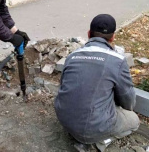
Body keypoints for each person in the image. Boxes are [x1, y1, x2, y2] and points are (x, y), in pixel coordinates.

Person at [55, 14, 140, 152]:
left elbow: (64, 87)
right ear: (112, 37)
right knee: (134, 121)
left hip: (64, 119)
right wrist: (124, 109)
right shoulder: (118, 60)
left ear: (89, 34)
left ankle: (81, 135)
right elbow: (128, 99)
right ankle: (97, 143)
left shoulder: (72, 56)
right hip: (93, 126)